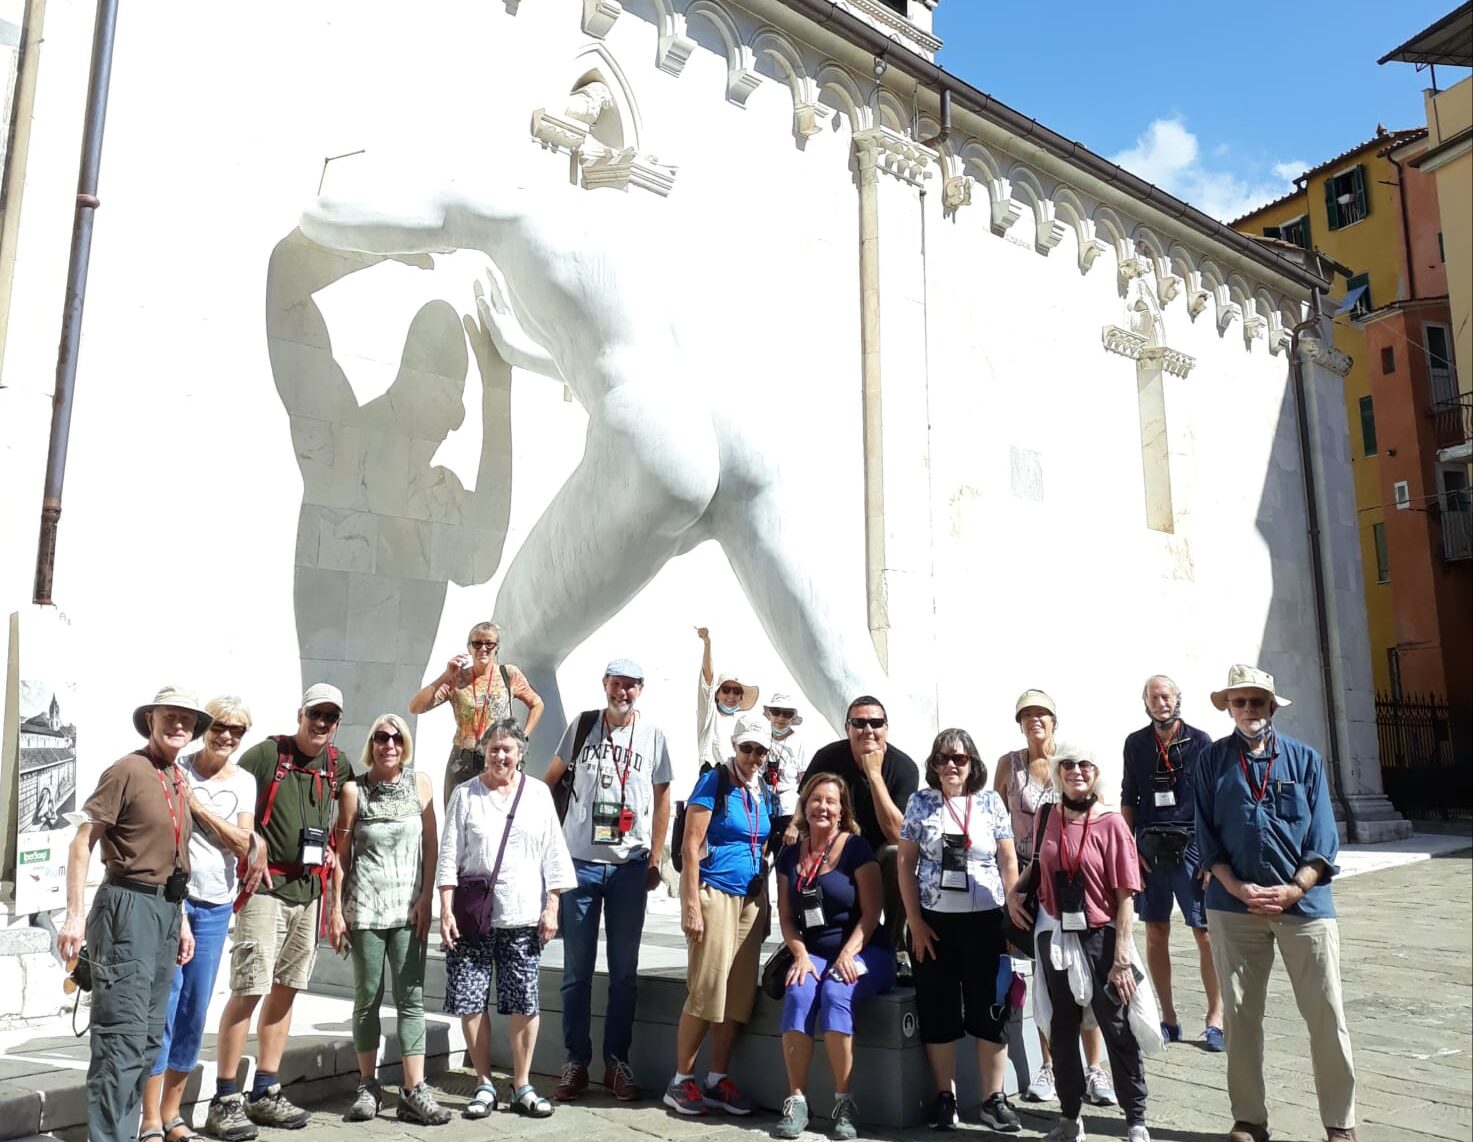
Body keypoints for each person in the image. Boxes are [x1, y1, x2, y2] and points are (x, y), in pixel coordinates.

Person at [1195, 665, 1356, 1142]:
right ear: (1229, 708)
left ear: (1271, 707)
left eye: (1257, 701)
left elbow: (1323, 839)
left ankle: (1340, 1124)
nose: (1249, 709)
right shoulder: (1210, 761)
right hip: (1233, 906)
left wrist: (1296, 888)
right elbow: (1205, 836)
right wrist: (1236, 886)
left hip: (1304, 906)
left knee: (1327, 1015)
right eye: (1239, 702)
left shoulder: (1305, 759)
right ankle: (1249, 1119)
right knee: (1240, 1017)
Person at [57, 686, 207, 1142]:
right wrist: (74, 915)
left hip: (166, 910)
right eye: (169, 716)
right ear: (151, 721)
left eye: (186, 719)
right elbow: (82, 840)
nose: (178, 725)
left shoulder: (177, 777)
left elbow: (173, 856)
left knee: (147, 1038)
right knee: (120, 1038)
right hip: (127, 907)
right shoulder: (126, 770)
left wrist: (181, 920)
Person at [205, 684, 346, 1140]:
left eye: (330, 717)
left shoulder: (336, 764)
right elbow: (226, 789)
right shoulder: (268, 756)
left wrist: (335, 851)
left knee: (287, 990)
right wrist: (250, 844)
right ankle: (225, 1097)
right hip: (265, 890)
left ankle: (265, 1089)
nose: (321, 723)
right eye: (315, 714)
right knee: (249, 988)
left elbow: (349, 808)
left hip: (309, 891)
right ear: (300, 713)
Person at [542, 659, 673, 1102]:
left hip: (629, 866)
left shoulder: (653, 736)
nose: (623, 692)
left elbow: (663, 797)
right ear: (605, 685)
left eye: (631, 686)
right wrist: (550, 848)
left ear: (641, 690)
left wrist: (656, 856)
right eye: (617, 684)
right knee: (576, 972)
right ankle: (575, 1061)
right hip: (579, 862)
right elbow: (549, 782)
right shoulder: (582, 726)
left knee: (624, 973)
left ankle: (617, 1062)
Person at [1008, 743, 1149, 1142]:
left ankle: (1136, 1120)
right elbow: (1039, 865)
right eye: (1067, 764)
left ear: (1096, 771)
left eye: (1084, 765)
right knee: (1061, 1029)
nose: (1076, 771)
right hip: (1055, 934)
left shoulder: (1111, 823)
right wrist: (1014, 893)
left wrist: (1121, 959)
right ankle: (1070, 1118)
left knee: (1117, 1028)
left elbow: (1125, 896)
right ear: (1058, 771)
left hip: (1101, 938)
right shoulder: (1047, 815)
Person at [141, 697, 266, 1142]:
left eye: (237, 730)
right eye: (220, 727)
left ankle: (172, 1115)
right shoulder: (179, 768)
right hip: (173, 899)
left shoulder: (244, 781)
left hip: (215, 904)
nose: (227, 736)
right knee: (165, 1006)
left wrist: (196, 808)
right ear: (205, 728)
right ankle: (149, 1118)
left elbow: (243, 843)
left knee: (194, 1010)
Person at [439, 718, 574, 1118]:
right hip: (473, 917)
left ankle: (522, 1083)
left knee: (524, 1001)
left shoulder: (537, 794)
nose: (501, 756)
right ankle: (483, 1083)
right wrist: (444, 909)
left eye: (508, 749)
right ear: (484, 751)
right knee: (471, 999)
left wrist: (552, 907)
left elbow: (553, 853)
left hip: (522, 915)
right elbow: (448, 855)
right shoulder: (465, 794)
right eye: (494, 748)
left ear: (520, 753)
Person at [329, 714, 451, 1125]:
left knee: (410, 997)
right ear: (372, 743)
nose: (389, 745)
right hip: (365, 908)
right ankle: (368, 1085)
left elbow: (431, 844)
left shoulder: (421, 784)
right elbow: (340, 856)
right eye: (381, 737)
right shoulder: (353, 790)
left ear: (405, 744)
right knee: (367, 998)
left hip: (408, 909)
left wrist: (427, 898)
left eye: (397, 738)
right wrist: (335, 910)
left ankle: (414, 1089)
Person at [993, 689, 1112, 1106]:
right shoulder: (1009, 764)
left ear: (1054, 721)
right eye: (1026, 715)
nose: (1034, 720)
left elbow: (1096, 813)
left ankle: (1095, 1068)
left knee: (1087, 974)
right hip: (1028, 879)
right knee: (1043, 976)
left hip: (1073, 877)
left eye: (1041, 714)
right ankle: (1050, 1065)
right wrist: (1012, 889)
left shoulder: (1070, 762)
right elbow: (997, 821)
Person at [898, 729, 1020, 1133]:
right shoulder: (921, 802)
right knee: (939, 1008)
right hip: (934, 923)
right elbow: (905, 863)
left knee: (991, 1008)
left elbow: (1007, 859)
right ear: (933, 764)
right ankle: (944, 1097)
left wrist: (1012, 915)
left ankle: (992, 1098)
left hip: (985, 919)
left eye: (960, 758)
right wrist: (915, 921)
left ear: (973, 764)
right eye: (943, 758)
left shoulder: (990, 802)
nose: (951, 765)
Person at [772, 773, 896, 1141]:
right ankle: (797, 1101)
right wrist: (799, 954)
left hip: (865, 949)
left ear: (842, 811)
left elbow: (872, 914)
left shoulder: (856, 848)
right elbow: (786, 916)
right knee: (798, 992)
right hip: (813, 953)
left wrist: (847, 953)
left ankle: (844, 1103)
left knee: (836, 991)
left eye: (831, 801)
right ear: (804, 806)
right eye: (816, 799)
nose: (822, 807)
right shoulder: (789, 856)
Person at [664, 712, 774, 1117]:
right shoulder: (715, 781)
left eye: (760, 751)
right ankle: (681, 1080)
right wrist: (691, 904)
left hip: (751, 899)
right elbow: (690, 846)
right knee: (707, 987)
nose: (753, 757)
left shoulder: (764, 789)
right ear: (734, 746)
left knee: (738, 994)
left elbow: (763, 844)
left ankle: (716, 1078)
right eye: (747, 748)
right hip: (716, 892)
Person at [1120, 674, 1223, 1050]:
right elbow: (1129, 796)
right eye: (1153, 697)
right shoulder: (1136, 743)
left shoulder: (1200, 741)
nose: (1160, 703)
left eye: (1166, 696)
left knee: (1205, 933)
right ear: (1145, 703)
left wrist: (1212, 856)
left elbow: (1213, 800)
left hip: (1192, 846)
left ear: (1177, 699)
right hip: (1150, 848)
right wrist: (1128, 850)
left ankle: (1215, 1019)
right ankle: (1168, 1017)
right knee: (1156, 931)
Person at [804, 696, 917, 976]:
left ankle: (893, 946)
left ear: (886, 728)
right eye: (859, 723)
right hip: (835, 850)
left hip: (879, 854)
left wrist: (874, 775)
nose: (868, 730)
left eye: (875, 723)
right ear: (847, 727)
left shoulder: (904, 767)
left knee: (896, 854)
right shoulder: (826, 758)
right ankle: (814, 940)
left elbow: (898, 835)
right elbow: (805, 808)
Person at [409, 621, 544, 808]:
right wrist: (445, 676)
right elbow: (416, 707)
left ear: (497, 648)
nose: (483, 649)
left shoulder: (508, 674)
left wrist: (522, 737)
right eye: (477, 644)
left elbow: (536, 704)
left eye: (489, 644)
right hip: (463, 759)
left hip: (498, 758)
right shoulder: (457, 679)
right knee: (457, 813)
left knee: (500, 814)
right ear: (469, 648)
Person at [764, 692, 808, 849]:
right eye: (776, 712)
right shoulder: (761, 738)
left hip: (788, 811)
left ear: (792, 717)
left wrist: (795, 823)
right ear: (769, 713)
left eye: (787, 714)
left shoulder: (800, 743)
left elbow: (806, 787)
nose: (781, 718)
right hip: (762, 808)